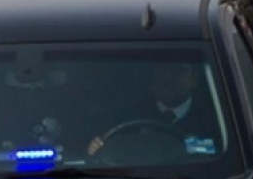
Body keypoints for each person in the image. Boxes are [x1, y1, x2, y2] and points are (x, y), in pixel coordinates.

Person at [87, 62, 217, 156]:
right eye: (162, 71)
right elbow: (106, 146)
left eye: (177, 71)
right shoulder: (129, 114)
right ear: (152, 81)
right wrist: (95, 147)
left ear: (194, 79)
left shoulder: (215, 114)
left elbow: (222, 150)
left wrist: (195, 145)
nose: (168, 78)